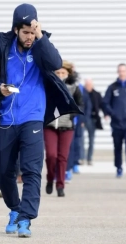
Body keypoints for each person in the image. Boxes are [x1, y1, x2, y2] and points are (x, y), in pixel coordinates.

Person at [0, 3, 81, 238]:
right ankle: (15, 209)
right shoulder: (1, 48)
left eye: (32, 31)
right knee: (3, 171)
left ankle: (26, 218)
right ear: (16, 30)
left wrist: (41, 35)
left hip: (33, 118)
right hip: (5, 118)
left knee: (32, 170)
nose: (29, 36)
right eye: (25, 32)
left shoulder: (41, 46)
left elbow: (56, 63)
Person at [44, 60, 83, 197]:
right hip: (50, 125)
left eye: (63, 73)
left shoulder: (74, 87)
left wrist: (71, 115)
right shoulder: (48, 85)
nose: (60, 75)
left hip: (67, 127)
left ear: (68, 73)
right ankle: (50, 178)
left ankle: (60, 185)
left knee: (62, 157)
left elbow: (80, 105)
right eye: (58, 72)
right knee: (51, 155)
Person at [103, 63, 126, 178]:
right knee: (117, 146)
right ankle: (119, 168)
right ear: (117, 72)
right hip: (116, 123)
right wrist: (113, 113)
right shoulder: (112, 87)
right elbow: (105, 103)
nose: (122, 73)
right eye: (120, 71)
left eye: (123, 71)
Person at [84, 78, 104, 165]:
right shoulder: (82, 94)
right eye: (87, 85)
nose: (88, 87)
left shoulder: (96, 94)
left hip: (93, 119)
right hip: (84, 119)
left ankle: (89, 158)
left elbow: (102, 105)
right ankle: (81, 157)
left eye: (90, 85)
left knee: (91, 139)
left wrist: (106, 114)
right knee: (80, 139)